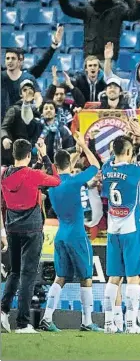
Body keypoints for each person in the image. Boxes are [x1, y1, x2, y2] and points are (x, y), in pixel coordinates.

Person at [101, 121, 140, 334]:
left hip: (112, 231)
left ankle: (108, 323)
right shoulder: (134, 169)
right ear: (129, 152)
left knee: (114, 277)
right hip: (132, 229)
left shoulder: (106, 168)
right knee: (134, 275)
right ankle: (131, 323)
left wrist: (125, 140)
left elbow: (114, 154)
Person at [39, 132, 103, 332]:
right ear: (71, 164)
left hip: (61, 235)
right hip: (76, 234)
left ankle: (47, 318)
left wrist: (73, 153)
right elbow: (95, 167)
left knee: (61, 276)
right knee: (86, 277)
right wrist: (84, 146)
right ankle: (86, 321)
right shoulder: (75, 182)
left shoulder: (52, 184)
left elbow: (60, 170)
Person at [0, 139, 61, 333]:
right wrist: (44, 155)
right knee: (27, 275)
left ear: (14, 154)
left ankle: (3, 309)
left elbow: (22, 176)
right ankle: (23, 323)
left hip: (12, 228)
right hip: (32, 229)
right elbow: (55, 179)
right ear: (29, 155)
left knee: (15, 271)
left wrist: (37, 163)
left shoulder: (4, 174)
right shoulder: (33, 175)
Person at [57, 0, 140, 60]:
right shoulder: (88, 9)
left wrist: (139, 3)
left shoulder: (118, 10)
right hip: (90, 56)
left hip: (109, 57)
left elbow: (134, 15)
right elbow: (70, 10)